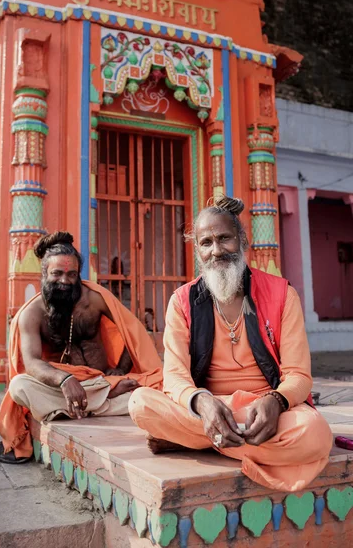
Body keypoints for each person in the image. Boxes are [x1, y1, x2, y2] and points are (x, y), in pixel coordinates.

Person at [129, 196, 333, 492]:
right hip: (209, 407)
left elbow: (299, 375)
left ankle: (201, 441)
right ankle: (218, 434)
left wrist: (276, 401)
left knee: (315, 435)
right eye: (206, 243)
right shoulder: (182, 301)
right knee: (141, 403)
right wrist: (202, 402)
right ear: (197, 249)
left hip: (267, 411)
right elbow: (174, 377)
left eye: (224, 239)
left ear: (242, 240)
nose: (216, 251)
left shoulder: (281, 294)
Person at [0, 231, 162, 464]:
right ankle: (99, 401)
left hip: (104, 379)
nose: (65, 281)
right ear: (44, 273)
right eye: (57, 273)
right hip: (62, 388)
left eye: (72, 274)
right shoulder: (31, 314)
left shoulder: (94, 299)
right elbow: (32, 362)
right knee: (19, 386)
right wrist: (64, 380)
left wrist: (120, 369)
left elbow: (134, 332)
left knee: (155, 386)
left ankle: (83, 404)